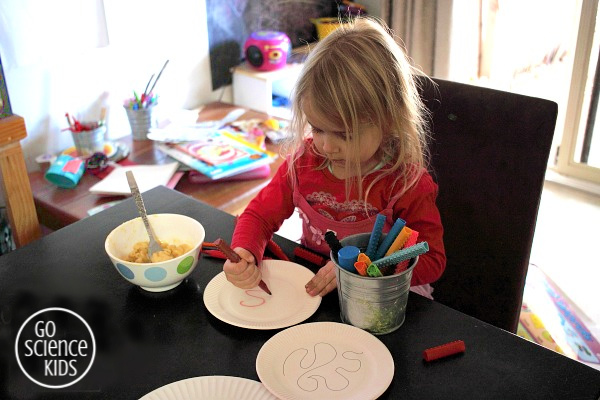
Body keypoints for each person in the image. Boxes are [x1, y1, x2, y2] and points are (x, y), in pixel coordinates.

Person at [224, 16, 446, 298]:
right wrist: (245, 252)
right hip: (316, 286)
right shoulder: (304, 162)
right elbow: (258, 216)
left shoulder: (405, 183)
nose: (327, 146)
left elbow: (432, 259)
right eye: (317, 128)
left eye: (344, 134)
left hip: (382, 295)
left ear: (388, 120)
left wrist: (362, 272)